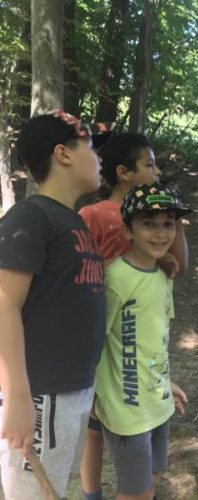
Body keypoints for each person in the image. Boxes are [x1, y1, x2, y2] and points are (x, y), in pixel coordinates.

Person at [0, 111, 111, 499]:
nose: (99, 158)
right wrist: (17, 397)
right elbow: (4, 304)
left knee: (55, 488)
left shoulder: (74, 223)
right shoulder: (31, 216)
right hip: (40, 395)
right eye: (91, 147)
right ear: (63, 154)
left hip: (73, 392)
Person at [78, 133, 189, 500]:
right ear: (127, 230)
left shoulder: (164, 276)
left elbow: (154, 340)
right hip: (126, 409)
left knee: (152, 478)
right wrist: (91, 394)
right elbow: (93, 339)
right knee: (135, 490)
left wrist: (165, 382)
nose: (161, 233)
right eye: (149, 223)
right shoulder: (114, 279)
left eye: (169, 224)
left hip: (157, 402)